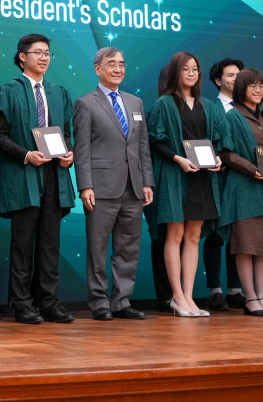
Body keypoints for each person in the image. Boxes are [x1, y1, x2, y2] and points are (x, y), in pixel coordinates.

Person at [0, 34, 76, 325]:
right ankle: (22, 304)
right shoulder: (8, 91)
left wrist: (69, 153)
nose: (44, 58)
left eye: (47, 53)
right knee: (23, 243)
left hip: (54, 175)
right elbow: (0, 137)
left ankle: (49, 302)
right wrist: (26, 155)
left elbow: (66, 133)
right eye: (38, 52)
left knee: (50, 244)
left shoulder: (59, 92)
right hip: (24, 176)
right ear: (22, 57)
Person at [74, 47, 154, 321]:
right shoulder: (86, 103)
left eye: (121, 64)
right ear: (98, 69)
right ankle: (99, 303)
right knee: (97, 249)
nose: (118, 69)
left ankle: (121, 301)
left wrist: (147, 182)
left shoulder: (135, 103)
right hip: (101, 188)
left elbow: (142, 146)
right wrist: (85, 186)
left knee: (128, 248)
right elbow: (82, 149)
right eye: (111, 64)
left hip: (133, 187)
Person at [147, 52, 224, 318]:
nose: (191, 73)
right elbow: (154, 140)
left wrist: (217, 158)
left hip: (202, 177)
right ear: (175, 72)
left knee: (193, 237)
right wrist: (177, 158)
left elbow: (216, 141)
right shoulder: (164, 104)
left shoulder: (207, 105)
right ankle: (177, 297)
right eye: (186, 69)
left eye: (195, 69)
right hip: (175, 175)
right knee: (175, 235)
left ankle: (189, 297)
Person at [218, 69, 263, 317]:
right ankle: (250, 298)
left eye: (262, 86)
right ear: (241, 88)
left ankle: (261, 297)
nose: (259, 91)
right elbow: (226, 154)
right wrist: (253, 170)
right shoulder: (232, 116)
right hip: (243, 190)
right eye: (253, 86)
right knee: (245, 246)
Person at [203, 58, 246, 312]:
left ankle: (235, 290)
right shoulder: (210, 107)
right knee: (215, 235)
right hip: (217, 180)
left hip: (243, 182)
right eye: (230, 75)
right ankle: (215, 291)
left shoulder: (249, 108)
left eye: (239, 74)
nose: (236, 79)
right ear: (218, 80)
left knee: (238, 236)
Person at [148, 63, 174, 313]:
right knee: (162, 237)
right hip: (162, 179)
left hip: (189, 179)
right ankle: (165, 295)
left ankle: (179, 294)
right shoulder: (159, 107)